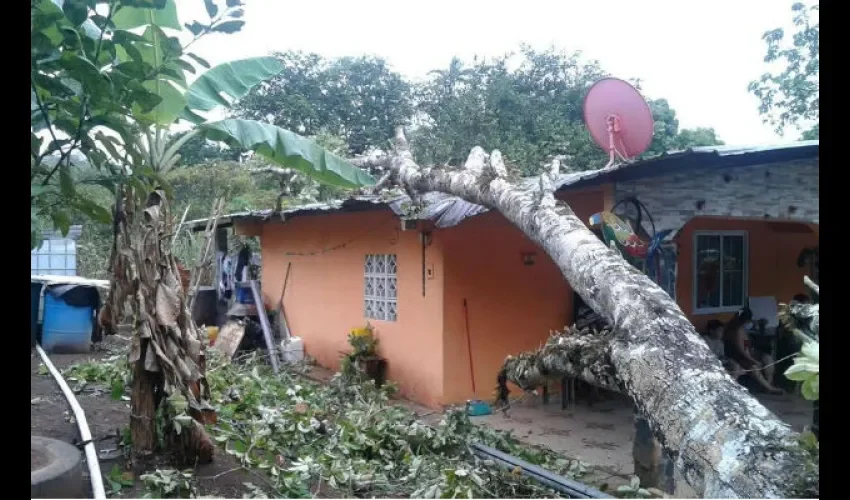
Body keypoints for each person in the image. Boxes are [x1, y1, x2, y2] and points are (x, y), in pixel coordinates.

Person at [723, 308, 783, 394]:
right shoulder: (736, 331)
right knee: (754, 367)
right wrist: (753, 360)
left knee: (768, 359)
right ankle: (769, 388)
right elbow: (742, 351)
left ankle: (769, 383)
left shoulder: (742, 328)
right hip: (738, 356)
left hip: (749, 352)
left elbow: (746, 343)